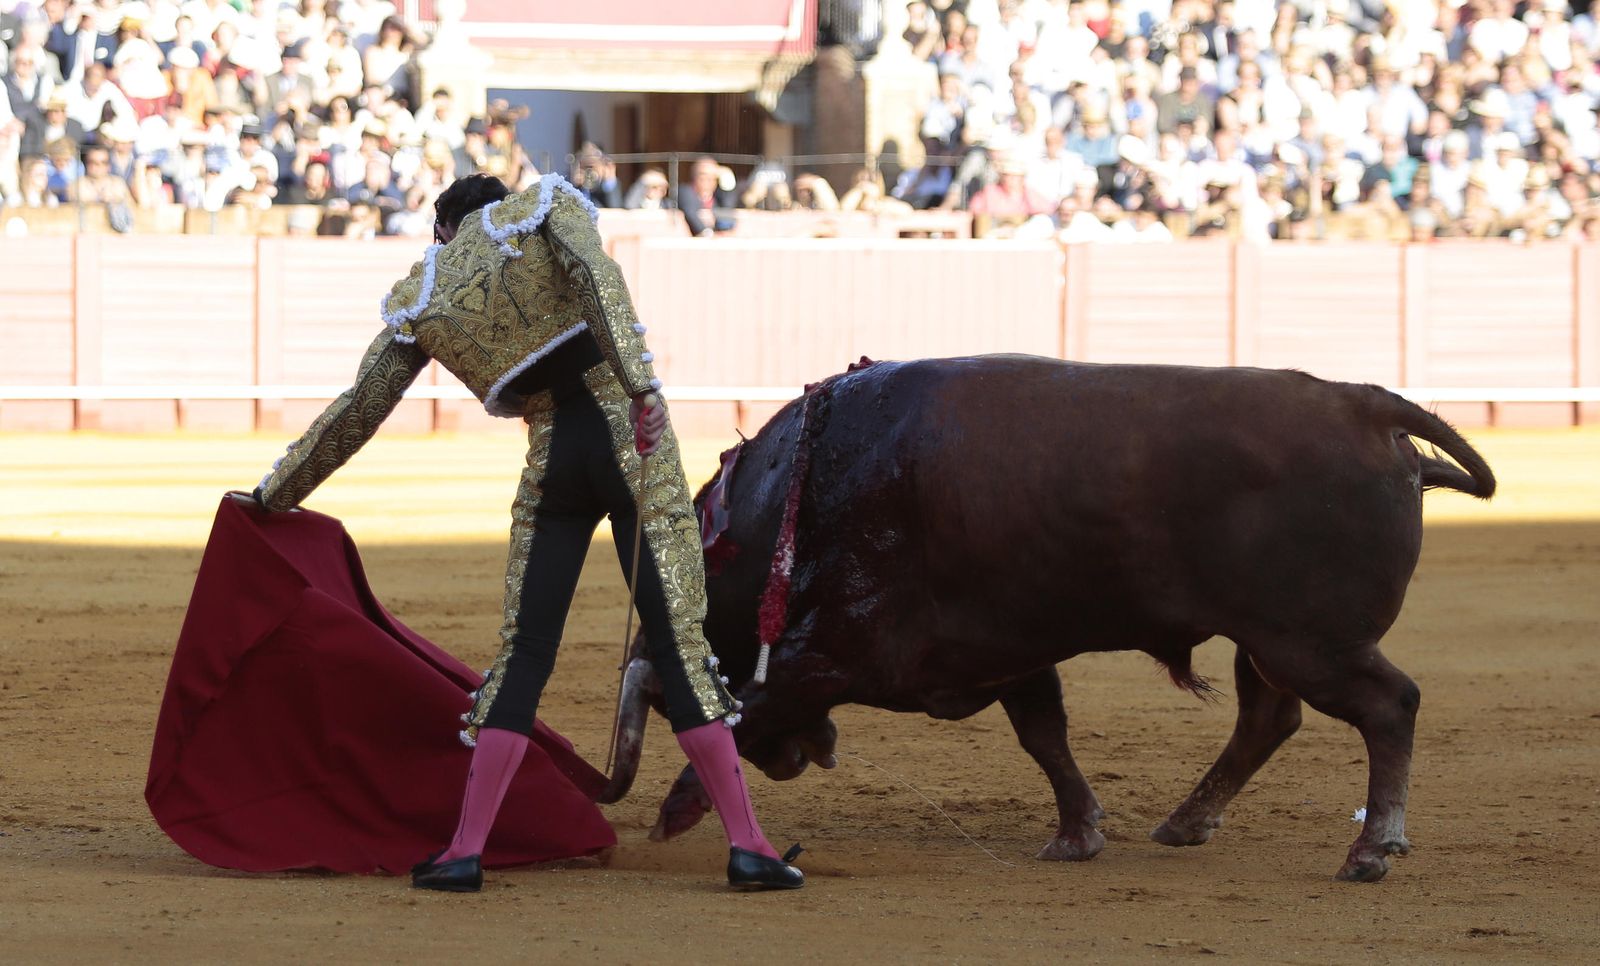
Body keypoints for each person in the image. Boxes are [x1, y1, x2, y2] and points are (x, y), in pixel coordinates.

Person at [248, 173, 804, 894]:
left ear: (443, 227)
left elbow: (359, 409)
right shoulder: (544, 208)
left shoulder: (425, 289)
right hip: (626, 437)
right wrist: (642, 387)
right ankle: (748, 846)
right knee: (678, 647)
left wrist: (273, 494)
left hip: (553, 461)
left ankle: (464, 851)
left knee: (524, 653)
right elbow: (595, 275)